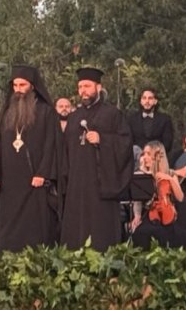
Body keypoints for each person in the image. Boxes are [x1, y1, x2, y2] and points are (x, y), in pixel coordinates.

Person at [0, 65, 59, 253]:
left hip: (34, 182)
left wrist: (43, 173)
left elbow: (51, 145)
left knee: (34, 232)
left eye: (22, 85)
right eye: (15, 85)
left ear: (33, 86)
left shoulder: (46, 112)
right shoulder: (7, 112)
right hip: (10, 184)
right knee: (7, 235)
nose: (18, 89)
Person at [60, 67, 134, 252]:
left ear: (98, 87)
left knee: (100, 238)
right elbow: (64, 151)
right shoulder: (74, 117)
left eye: (87, 86)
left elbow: (125, 145)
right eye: (80, 87)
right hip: (76, 187)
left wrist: (103, 140)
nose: (83, 90)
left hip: (101, 187)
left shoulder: (112, 115)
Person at [131, 142, 186, 249]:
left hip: (169, 217)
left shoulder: (170, 174)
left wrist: (170, 179)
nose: (145, 158)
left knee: (165, 233)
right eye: (144, 154)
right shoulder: (143, 176)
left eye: (149, 154)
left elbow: (180, 197)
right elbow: (137, 199)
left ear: (157, 157)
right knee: (140, 233)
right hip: (150, 214)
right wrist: (137, 215)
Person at [127, 88, 174, 154]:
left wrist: (155, 153)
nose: (147, 101)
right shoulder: (131, 120)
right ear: (140, 101)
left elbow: (167, 142)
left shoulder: (165, 120)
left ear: (155, 101)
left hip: (158, 158)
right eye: (144, 98)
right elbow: (128, 141)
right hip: (137, 159)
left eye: (150, 98)